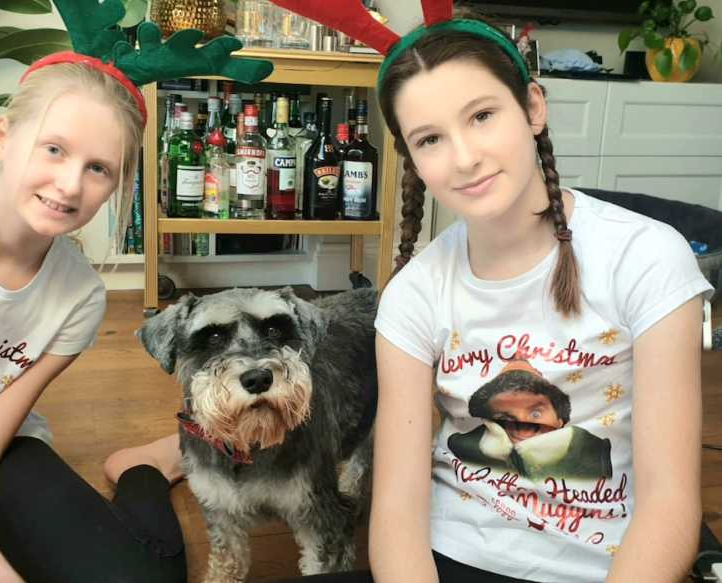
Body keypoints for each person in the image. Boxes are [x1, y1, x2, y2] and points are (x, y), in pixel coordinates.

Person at [259, 0, 712, 582]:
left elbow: (671, 502)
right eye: (430, 139)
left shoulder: (648, 257)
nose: (465, 158)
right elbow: (396, 509)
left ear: (533, 107)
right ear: (411, 159)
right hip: (454, 557)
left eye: (481, 116)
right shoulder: (413, 295)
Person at [0, 0, 272, 581]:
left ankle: (145, 468)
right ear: (5, 137)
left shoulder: (80, 298)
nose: (69, 184)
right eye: (54, 149)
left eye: (99, 168)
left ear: (117, 186)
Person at [446, 356, 613, 481]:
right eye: (505, 418)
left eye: (535, 414)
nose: (523, 428)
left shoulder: (590, 451)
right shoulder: (469, 449)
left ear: (559, 419)